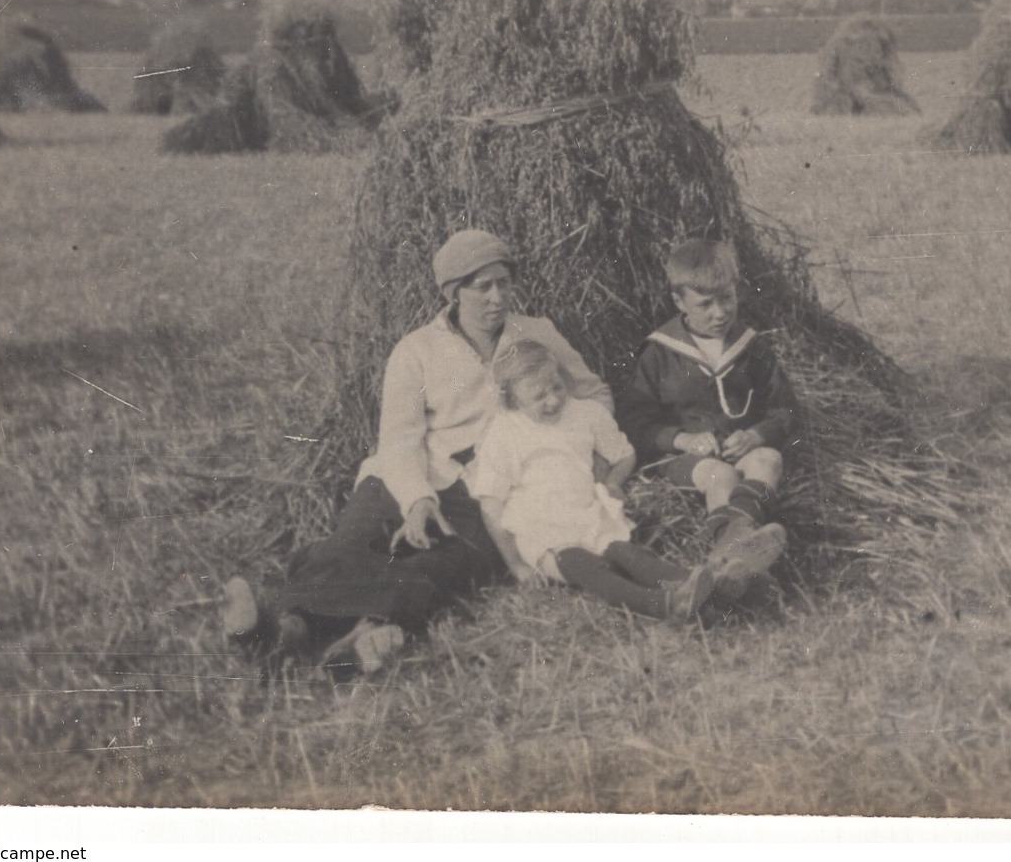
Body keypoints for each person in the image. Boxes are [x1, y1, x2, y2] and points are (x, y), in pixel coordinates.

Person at [222, 229, 613, 674]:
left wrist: (589, 451)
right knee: (356, 541)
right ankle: (284, 630)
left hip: (493, 487)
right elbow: (399, 439)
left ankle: (367, 635)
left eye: (504, 282)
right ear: (453, 292)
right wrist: (418, 501)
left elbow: (594, 393)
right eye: (481, 286)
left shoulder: (538, 334)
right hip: (407, 474)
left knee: (439, 560)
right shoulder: (416, 350)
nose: (496, 297)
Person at [471, 341, 714, 621]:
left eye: (557, 385)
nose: (553, 399)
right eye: (538, 396)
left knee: (626, 554)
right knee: (585, 566)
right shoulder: (504, 432)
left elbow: (624, 455)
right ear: (512, 399)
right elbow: (490, 504)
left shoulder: (585, 413)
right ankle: (661, 604)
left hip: (586, 513)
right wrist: (516, 565)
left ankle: (698, 584)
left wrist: (613, 483)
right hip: (539, 530)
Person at [616, 238, 796, 602]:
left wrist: (757, 435)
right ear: (679, 302)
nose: (719, 313)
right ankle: (741, 554)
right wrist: (681, 440)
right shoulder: (660, 353)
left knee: (769, 460)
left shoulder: (751, 347)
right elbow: (635, 422)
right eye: (705, 304)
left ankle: (726, 563)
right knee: (720, 475)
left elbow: (786, 410)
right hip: (687, 459)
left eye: (727, 298)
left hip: (739, 447)